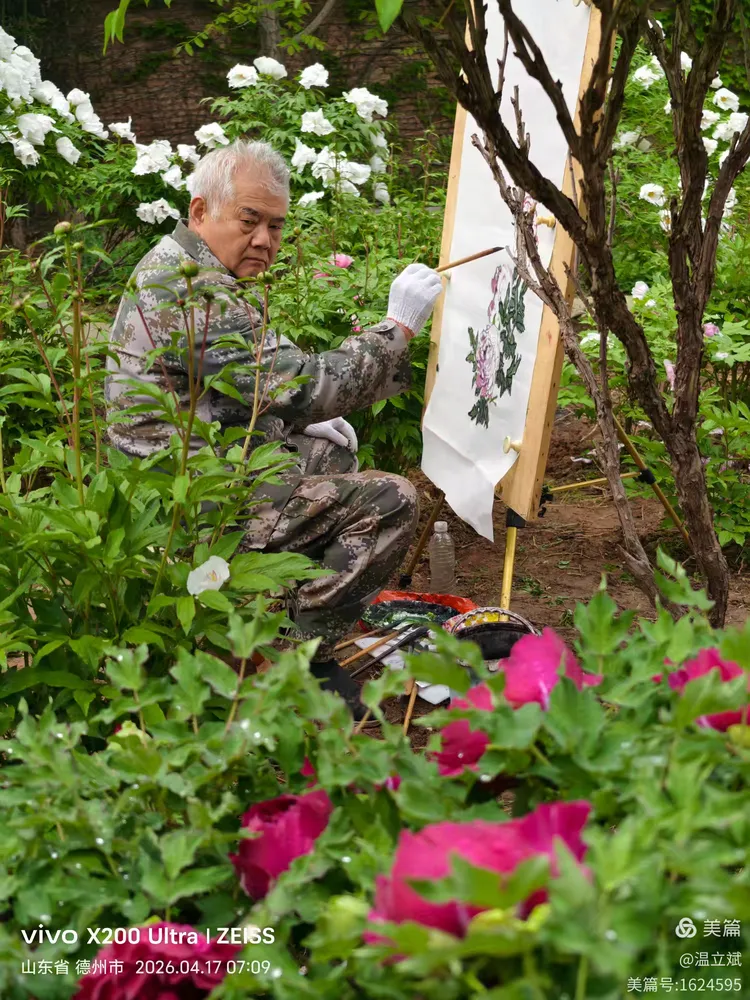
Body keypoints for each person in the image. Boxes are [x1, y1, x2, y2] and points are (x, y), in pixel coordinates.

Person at [105, 139, 443, 719]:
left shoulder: (192, 269)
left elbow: (255, 377)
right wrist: (396, 328)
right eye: (249, 221)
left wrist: (300, 414)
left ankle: (268, 612)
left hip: (192, 465)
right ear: (199, 211)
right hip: (179, 496)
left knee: (326, 456)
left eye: (276, 226)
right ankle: (290, 656)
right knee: (391, 501)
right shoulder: (188, 289)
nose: (264, 240)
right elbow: (307, 384)